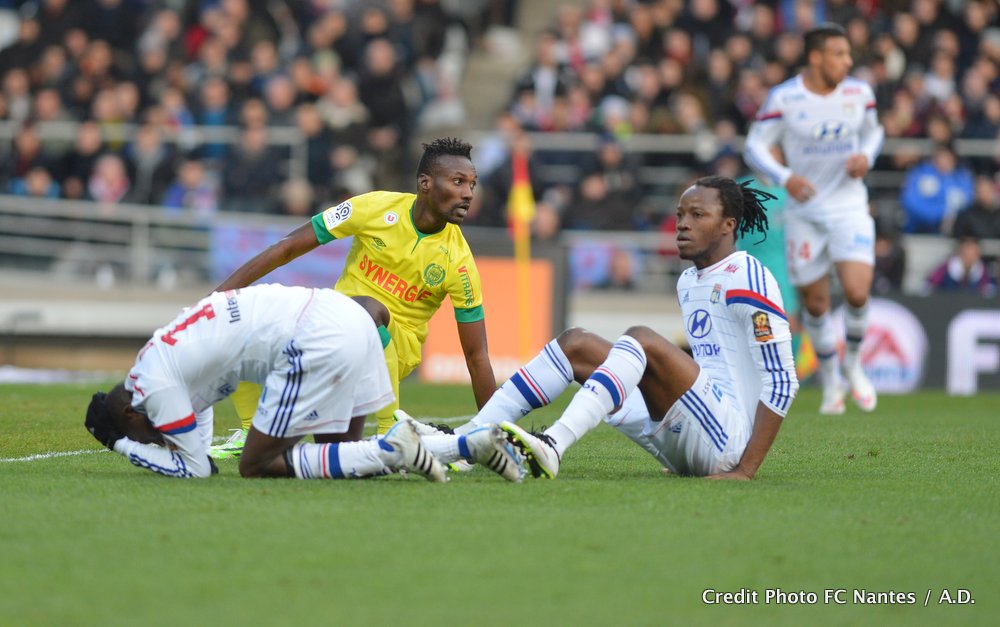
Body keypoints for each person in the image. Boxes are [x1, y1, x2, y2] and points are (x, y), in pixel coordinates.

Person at [456, 176, 799, 480]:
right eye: (680, 215)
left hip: (729, 442)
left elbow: (783, 381)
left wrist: (745, 469)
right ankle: (466, 442)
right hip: (687, 438)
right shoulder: (688, 281)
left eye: (697, 215)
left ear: (728, 225)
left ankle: (552, 445)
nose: (683, 224)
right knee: (576, 344)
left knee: (641, 339)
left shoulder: (747, 276)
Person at [209, 138, 497, 459]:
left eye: (472, 184)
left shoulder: (460, 262)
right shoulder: (375, 208)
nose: (468, 193)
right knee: (246, 318)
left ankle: (389, 431)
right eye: (458, 182)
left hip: (393, 349)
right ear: (425, 183)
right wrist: (217, 298)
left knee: (366, 310)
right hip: (330, 328)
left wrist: (496, 431)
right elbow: (289, 246)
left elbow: (476, 356)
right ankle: (250, 431)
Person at [83, 284, 523, 482]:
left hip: (314, 338)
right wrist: (149, 439)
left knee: (255, 465)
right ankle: (466, 445)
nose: (157, 440)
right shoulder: (162, 358)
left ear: (131, 414)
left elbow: (197, 468)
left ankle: (393, 449)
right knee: (344, 458)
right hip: (350, 317)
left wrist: (121, 445)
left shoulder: (154, 386)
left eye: (143, 434)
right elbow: (194, 437)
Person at [744, 23, 884, 415]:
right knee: (817, 305)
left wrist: (867, 157)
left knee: (857, 292)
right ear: (816, 57)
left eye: (848, 53)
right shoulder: (785, 98)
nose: (848, 61)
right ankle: (831, 382)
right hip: (804, 212)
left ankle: (852, 365)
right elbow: (754, 146)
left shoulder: (859, 94)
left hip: (849, 206)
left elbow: (875, 133)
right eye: (840, 54)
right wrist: (785, 177)